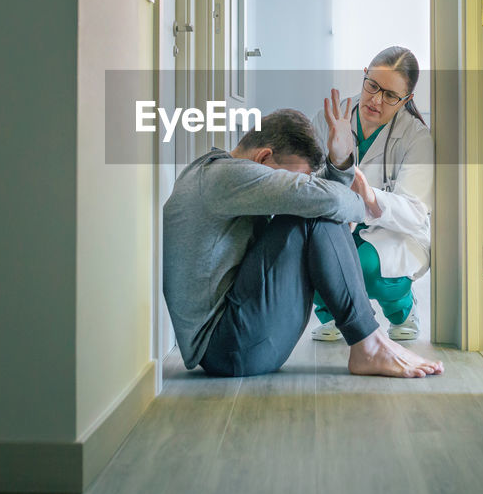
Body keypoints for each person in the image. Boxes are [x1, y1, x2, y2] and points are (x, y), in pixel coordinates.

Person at [162, 108, 443, 379]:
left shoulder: (218, 173)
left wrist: (340, 161)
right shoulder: (224, 178)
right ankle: (368, 343)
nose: (293, 185)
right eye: (291, 177)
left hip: (239, 340)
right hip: (229, 348)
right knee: (314, 210)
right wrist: (366, 202)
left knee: (312, 205)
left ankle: (369, 340)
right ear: (263, 158)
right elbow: (326, 199)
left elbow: (316, 192)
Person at [310, 46, 433, 343]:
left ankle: (401, 310)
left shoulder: (416, 137)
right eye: (373, 86)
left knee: (361, 267)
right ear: (365, 76)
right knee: (305, 258)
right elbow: (305, 180)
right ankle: (335, 315)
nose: (376, 100)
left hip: (392, 231)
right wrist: (335, 164)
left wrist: (370, 195)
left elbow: (416, 213)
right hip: (336, 221)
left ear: (407, 100)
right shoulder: (332, 117)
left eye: (391, 95)